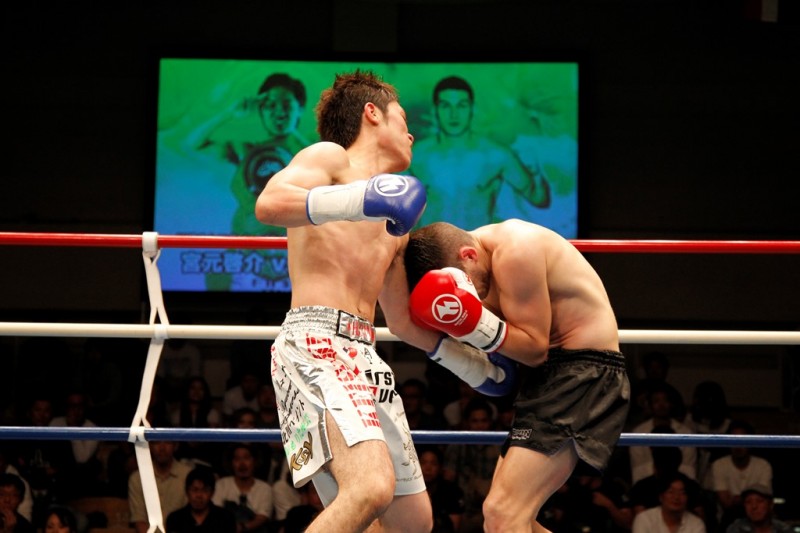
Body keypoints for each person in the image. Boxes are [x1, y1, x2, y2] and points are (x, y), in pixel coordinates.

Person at [253, 69, 431, 532]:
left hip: (366, 353)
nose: (411, 133)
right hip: (315, 342)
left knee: (413, 522)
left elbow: (402, 322)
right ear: (372, 113)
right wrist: (362, 198)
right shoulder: (330, 159)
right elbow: (269, 203)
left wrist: (481, 358)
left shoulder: (397, 222)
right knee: (369, 488)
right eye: (403, 119)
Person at [390, 219, 629, 533]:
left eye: (466, 288)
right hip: (550, 377)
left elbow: (534, 350)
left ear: (469, 255)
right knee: (502, 517)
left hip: (582, 373)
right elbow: (404, 326)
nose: (470, 296)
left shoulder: (516, 249)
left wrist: (472, 324)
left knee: (503, 514)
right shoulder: (479, 266)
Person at [187, 72, 311, 292]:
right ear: (261, 110)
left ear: (300, 108)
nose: (279, 112)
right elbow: (189, 144)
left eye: (286, 104)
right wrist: (228, 113)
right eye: (270, 105)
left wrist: (292, 135)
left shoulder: (318, 153)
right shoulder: (245, 150)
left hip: (297, 266)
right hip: (247, 261)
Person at [410, 75, 549, 229]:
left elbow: (538, 198)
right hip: (430, 244)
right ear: (435, 109)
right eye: (446, 106)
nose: (454, 114)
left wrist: (536, 175)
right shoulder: (416, 156)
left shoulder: (496, 155)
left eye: (462, 106)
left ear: (472, 108)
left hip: (477, 244)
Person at [712, 420, 774, 531]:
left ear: (751, 442)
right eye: (734, 440)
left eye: (742, 440)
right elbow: (726, 502)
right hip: (728, 519)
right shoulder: (719, 465)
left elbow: (763, 500)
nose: (738, 445)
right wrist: (750, 500)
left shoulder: (763, 465)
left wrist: (737, 499)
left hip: (760, 519)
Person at [629, 384, 697, 484]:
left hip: (679, 485)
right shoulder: (638, 433)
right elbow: (638, 469)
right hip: (647, 485)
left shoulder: (686, 433)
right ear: (650, 405)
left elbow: (689, 469)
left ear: (671, 404)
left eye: (665, 400)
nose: (661, 405)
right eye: (656, 401)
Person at [128, 441, 193, 533]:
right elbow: (139, 520)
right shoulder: (137, 478)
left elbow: (192, 517)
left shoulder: (188, 475)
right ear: (149, 446)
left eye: (167, 442)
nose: (162, 448)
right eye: (156, 442)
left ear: (175, 445)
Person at [212, 444, 273, 533]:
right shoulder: (221, 484)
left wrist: (242, 527)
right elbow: (216, 513)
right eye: (237, 459)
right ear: (231, 463)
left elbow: (262, 517)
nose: (242, 464)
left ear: (254, 462)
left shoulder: (265, 488)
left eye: (246, 458)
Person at [165, 466, 237, 533]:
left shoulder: (225, 519)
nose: (199, 495)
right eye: (194, 490)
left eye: (205, 490)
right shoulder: (175, 519)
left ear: (212, 492)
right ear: (187, 491)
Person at [631, 473, 706, 533]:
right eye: (671, 492)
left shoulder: (696, 524)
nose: (676, 497)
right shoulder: (644, 520)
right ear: (661, 497)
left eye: (682, 493)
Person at [417, 446, 464, 533]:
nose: (428, 468)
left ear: (440, 468)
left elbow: (454, 528)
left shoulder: (452, 492)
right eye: (423, 463)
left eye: (433, 464)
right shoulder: (409, 493)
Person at [726, 484, 792, 533]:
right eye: (748, 502)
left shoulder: (783, 530)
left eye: (760, 501)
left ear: (770, 505)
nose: (754, 506)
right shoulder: (736, 529)